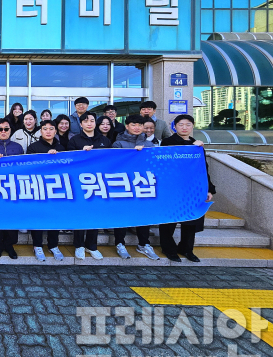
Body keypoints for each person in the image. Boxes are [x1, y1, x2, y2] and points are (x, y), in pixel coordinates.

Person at [159, 115, 215, 263]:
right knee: (169, 220)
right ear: (174, 126)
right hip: (173, 188)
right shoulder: (168, 142)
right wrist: (191, 146)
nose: (184, 127)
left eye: (188, 124)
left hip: (192, 189)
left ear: (192, 126)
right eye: (181, 124)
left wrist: (208, 189)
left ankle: (186, 248)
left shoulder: (197, 146)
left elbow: (203, 169)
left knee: (191, 220)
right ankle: (168, 249)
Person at [111, 115, 160, 261]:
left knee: (143, 215)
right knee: (122, 215)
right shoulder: (118, 144)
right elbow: (114, 163)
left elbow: (154, 165)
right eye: (133, 124)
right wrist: (133, 154)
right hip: (123, 185)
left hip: (142, 185)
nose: (137, 127)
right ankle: (120, 243)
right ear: (127, 126)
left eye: (140, 125)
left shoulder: (149, 145)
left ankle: (144, 244)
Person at [67, 112, 109, 260]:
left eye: (92, 120)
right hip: (79, 183)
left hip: (98, 183)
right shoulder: (75, 140)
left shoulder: (104, 140)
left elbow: (111, 160)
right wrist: (81, 154)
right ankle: (78, 245)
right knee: (80, 214)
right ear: (81, 124)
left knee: (95, 214)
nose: (89, 123)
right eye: (86, 121)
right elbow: (69, 161)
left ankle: (92, 246)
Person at [25, 120, 66, 261]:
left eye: (51, 128)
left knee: (54, 216)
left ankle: (53, 245)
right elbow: (28, 167)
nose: (48, 131)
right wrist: (45, 158)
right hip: (38, 187)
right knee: (38, 217)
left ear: (55, 131)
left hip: (56, 188)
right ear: (40, 131)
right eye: (45, 129)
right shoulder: (33, 147)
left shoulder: (61, 147)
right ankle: (37, 245)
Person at [0, 118, 24, 259]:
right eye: (0, 129)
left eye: (6, 129)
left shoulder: (18, 147)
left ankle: (9, 245)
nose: (3, 131)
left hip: (13, 189)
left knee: (12, 218)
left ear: (10, 131)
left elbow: (24, 166)